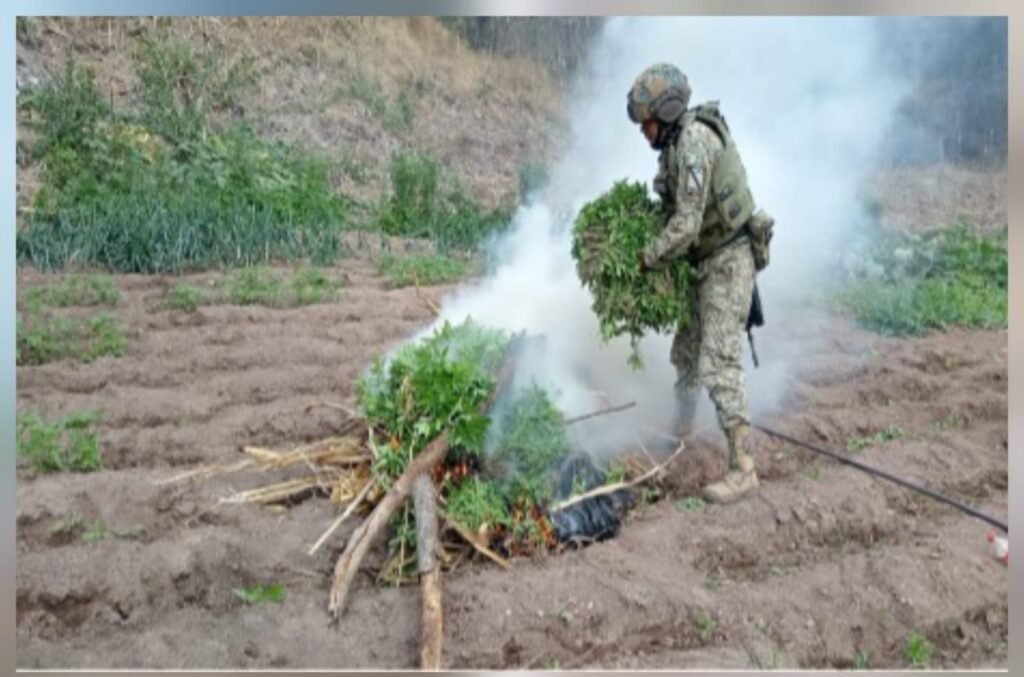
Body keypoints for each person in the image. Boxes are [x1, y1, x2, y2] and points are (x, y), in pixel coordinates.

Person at [627, 63, 772, 504]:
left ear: (667, 112)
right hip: (703, 260)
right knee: (686, 351)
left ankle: (743, 469)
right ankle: (683, 432)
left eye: (647, 122)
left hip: (728, 259)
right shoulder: (673, 146)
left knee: (718, 363)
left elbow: (687, 225)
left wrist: (647, 257)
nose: (644, 132)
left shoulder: (693, 142)